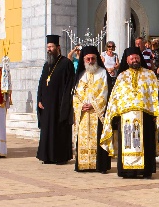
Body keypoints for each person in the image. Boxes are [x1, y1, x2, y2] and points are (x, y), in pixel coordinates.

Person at [100, 46, 159, 178]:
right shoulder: (121, 76)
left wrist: (157, 113)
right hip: (125, 117)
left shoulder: (150, 75)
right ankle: (127, 171)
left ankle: (145, 171)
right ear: (127, 60)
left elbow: (155, 94)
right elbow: (115, 97)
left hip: (146, 116)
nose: (135, 60)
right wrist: (113, 114)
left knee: (145, 144)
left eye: (137, 57)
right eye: (132, 58)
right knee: (127, 142)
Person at [37, 35, 76, 164]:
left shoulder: (66, 63)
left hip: (60, 103)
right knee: (47, 130)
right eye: (48, 47)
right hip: (47, 105)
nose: (49, 49)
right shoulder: (46, 64)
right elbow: (42, 83)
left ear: (58, 48)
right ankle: (47, 156)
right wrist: (40, 99)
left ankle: (60, 157)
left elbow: (69, 84)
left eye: (51, 46)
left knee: (60, 130)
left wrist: (65, 103)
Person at [72, 45, 110, 173]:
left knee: (98, 138)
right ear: (83, 60)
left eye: (92, 59)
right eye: (87, 59)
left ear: (97, 59)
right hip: (83, 113)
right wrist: (80, 105)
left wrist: (94, 104)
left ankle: (99, 165)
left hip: (97, 113)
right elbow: (75, 95)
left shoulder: (103, 73)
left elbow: (105, 92)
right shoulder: (81, 75)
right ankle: (83, 165)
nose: (90, 61)